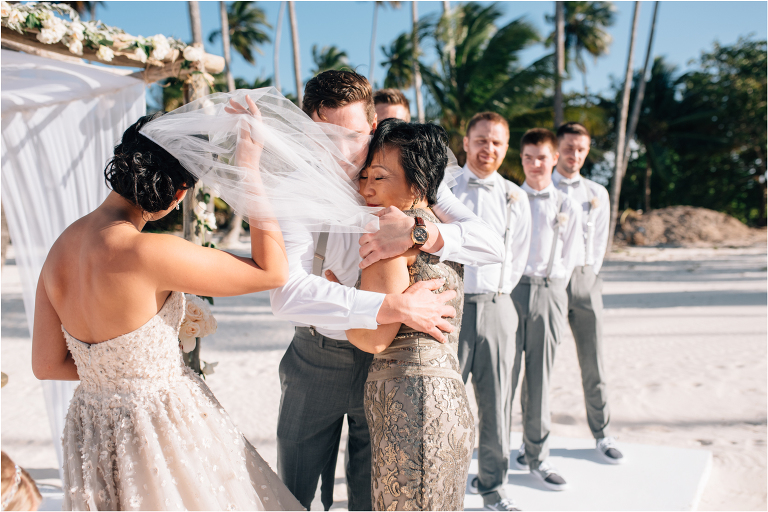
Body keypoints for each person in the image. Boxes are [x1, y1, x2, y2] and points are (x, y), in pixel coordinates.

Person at [31, 100, 303, 510]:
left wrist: (112, 375)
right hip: (158, 424)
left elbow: (46, 365)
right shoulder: (148, 252)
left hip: (90, 426)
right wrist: (249, 172)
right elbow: (272, 271)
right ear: (176, 190)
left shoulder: (60, 248)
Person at [270, 70, 505, 510]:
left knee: (371, 493)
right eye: (326, 137)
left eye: (354, 137)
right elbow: (287, 293)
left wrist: (420, 234)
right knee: (292, 494)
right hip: (314, 357)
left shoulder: (401, 172)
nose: (342, 154)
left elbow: (492, 244)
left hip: (383, 367)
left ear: (372, 126)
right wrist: (391, 305)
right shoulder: (293, 191)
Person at [341, 119, 473, 511]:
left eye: (378, 177)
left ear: (416, 184)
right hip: (446, 397)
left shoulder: (387, 231)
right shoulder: (438, 230)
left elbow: (374, 337)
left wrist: (346, 300)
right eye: (364, 176)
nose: (366, 188)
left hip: (409, 403)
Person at [452, 113, 531, 511]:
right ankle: (444, 484)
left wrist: (498, 294)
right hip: (452, 310)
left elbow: (518, 255)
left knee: (498, 402)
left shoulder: (515, 196)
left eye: (498, 143)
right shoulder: (443, 188)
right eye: (481, 140)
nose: (489, 149)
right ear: (466, 143)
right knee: (444, 400)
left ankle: (493, 487)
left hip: (499, 308)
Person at [511, 128, 583, 491]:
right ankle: (493, 460)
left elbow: (572, 256)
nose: (535, 164)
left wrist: (553, 287)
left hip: (551, 291)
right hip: (512, 292)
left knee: (540, 377)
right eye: (528, 157)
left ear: (554, 159)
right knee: (502, 379)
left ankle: (537, 456)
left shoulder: (567, 204)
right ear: (521, 159)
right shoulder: (510, 198)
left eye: (542, 157)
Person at [552, 122, 623, 464]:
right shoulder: (538, 188)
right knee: (539, 365)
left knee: (593, 362)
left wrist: (589, 275)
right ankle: (533, 441)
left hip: (585, 280)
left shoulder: (597, 191)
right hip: (549, 282)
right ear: (556, 149)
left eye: (581, 149)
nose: (575, 155)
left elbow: (599, 243)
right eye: (569, 148)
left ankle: (603, 433)